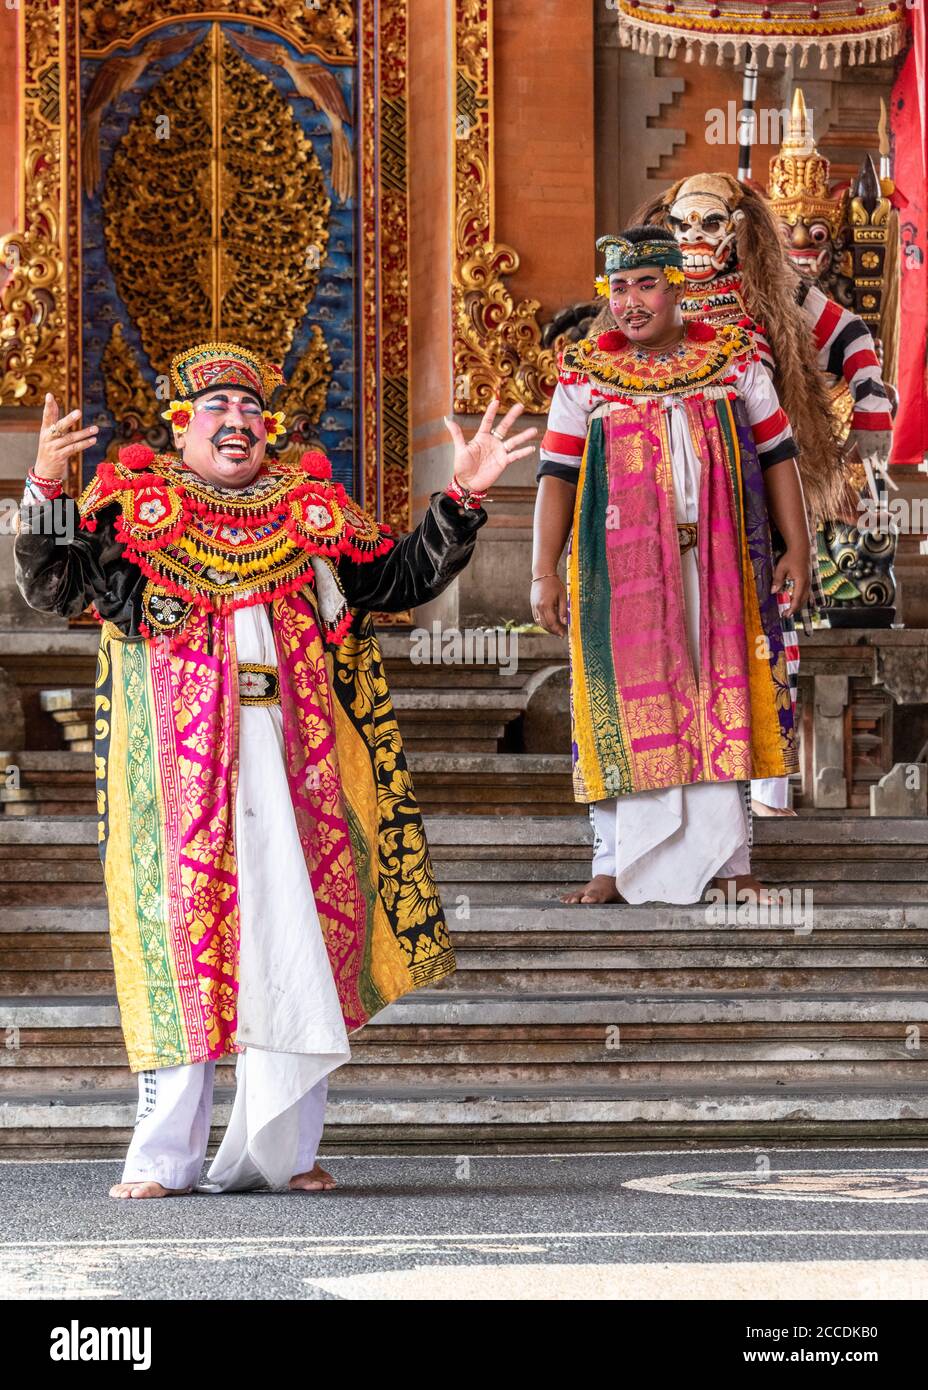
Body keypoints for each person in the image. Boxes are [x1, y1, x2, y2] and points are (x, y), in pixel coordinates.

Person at [14, 340, 537, 1197]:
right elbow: (53, 589)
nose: (239, 422)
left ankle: (286, 1152)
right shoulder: (129, 507)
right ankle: (161, 1159)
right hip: (174, 781)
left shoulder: (311, 507)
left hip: (299, 767)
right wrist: (41, 488)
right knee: (183, 946)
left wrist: (464, 496)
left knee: (295, 938)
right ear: (181, 427)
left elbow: (400, 576)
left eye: (253, 410)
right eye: (218, 409)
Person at [531, 228, 809, 906]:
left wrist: (795, 548)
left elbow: (779, 458)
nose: (629, 302)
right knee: (622, 706)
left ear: (676, 285)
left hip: (722, 562)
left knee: (724, 694)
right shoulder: (584, 370)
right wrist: (543, 568)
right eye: (618, 288)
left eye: (645, 284)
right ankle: (614, 862)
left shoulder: (735, 360)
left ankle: (732, 863)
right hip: (621, 572)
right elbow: (557, 474)